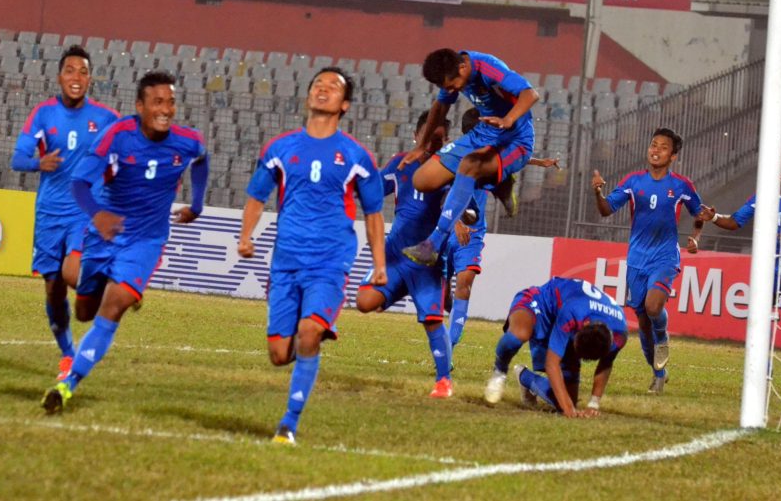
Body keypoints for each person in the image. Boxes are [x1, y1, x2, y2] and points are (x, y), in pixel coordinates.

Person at [41, 71, 209, 414]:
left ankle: (67, 384)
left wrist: (197, 204)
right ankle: (123, 289)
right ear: (140, 106)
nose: (165, 109)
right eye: (157, 102)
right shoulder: (116, 136)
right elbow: (79, 184)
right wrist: (96, 214)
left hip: (146, 241)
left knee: (112, 306)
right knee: (84, 311)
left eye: (171, 102)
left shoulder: (188, 141)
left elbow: (202, 160)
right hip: (106, 236)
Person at [237, 67, 386, 445]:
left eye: (332, 87)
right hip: (285, 262)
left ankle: (289, 423)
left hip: (329, 262)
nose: (322, 89)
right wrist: (245, 236)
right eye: (318, 84)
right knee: (277, 353)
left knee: (308, 331)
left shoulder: (356, 156)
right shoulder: (281, 148)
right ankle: (308, 347)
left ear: (345, 104)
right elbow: (257, 195)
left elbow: (373, 215)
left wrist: (380, 264)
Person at [12, 45, 120, 382]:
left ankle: (116, 286)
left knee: (73, 272)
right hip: (48, 214)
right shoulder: (43, 114)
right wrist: (36, 163)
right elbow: (18, 158)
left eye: (83, 71)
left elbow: (127, 153)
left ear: (90, 79)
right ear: (60, 76)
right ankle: (68, 355)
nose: (77, 77)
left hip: (83, 212)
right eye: (70, 70)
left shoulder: (106, 119)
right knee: (53, 289)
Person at [698, 146, 781, 406]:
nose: (780, 168)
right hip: (766, 270)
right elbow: (735, 221)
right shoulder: (764, 195)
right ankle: (764, 377)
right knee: (761, 321)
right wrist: (714, 217)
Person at [400, 48, 539, 267]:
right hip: (482, 134)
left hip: (515, 139)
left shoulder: (488, 67)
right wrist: (422, 145)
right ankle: (491, 186)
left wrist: (509, 119)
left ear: (463, 68)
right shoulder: (454, 71)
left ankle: (431, 246)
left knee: (469, 165)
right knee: (422, 180)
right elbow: (441, 106)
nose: (452, 90)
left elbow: (530, 94)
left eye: (452, 85)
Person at [591, 128, 704, 394]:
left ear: (673, 156)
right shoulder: (634, 182)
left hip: (665, 257)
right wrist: (598, 193)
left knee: (654, 307)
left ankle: (662, 337)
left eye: (663, 147)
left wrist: (696, 236)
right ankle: (658, 374)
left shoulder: (681, 185)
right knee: (642, 320)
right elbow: (606, 209)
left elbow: (699, 213)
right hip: (637, 259)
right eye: (653, 145)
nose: (656, 150)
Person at [356, 112, 455, 398]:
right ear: (415, 136)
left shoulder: (452, 169)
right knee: (364, 302)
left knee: (433, 321)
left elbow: (464, 208)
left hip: (427, 261)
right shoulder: (401, 163)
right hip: (395, 256)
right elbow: (373, 189)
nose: (432, 144)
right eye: (427, 138)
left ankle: (444, 381)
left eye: (438, 139)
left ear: (446, 141)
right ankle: (400, 289)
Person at [444, 108, 559, 348]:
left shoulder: (493, 156)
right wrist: (455, 223)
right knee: (442, 292)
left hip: (473, 232)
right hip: (446, 229)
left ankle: (449, 343)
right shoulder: (456, 157)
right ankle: (445, 297)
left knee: (464, 283)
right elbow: (442, 192)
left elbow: (518, 158)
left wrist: (541, 162)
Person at [483, 277, 627, 417]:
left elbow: (606, 364)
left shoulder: (620, 334)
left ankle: (524, 377)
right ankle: (499, 371)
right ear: (580, 328)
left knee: (565, 400)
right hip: (540, 303)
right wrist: (567, 408)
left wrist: (593, 404)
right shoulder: (573, 311)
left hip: (566, 317)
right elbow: (552, 364)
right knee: (518, 336)